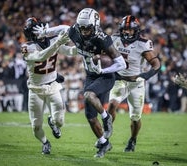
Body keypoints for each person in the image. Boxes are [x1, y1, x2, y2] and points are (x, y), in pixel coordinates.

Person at [32, 8, 127, 158]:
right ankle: (104, 143)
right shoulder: (76, 30)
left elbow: (122, 64)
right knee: (90, 117)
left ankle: (106, 117)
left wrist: (104, 70)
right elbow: (64, 28)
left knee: (88, 95)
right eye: (81, 27)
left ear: (95, 25)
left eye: (87, 27)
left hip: (105, 76)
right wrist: (46, 32)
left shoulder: (102, 38)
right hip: (90, 75)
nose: (83, 31)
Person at [105, 15, 161, 152]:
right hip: (119, 80)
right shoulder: (115, 38)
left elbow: (156, 64)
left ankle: (132, 139)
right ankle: (105, 136)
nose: (126, 32)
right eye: (124, 29)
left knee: (135, 117)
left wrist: (145, 76)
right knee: (112, 105)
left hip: (136, 84)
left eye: (129, 30)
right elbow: (102, 51)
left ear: (136, 30)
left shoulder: (143, 43)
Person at [21, 17, 72, 154]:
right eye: (34, 31)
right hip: (36, 89)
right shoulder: (27, 47)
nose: (37, 34)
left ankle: (52, 121)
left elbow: (70, 51)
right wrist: (58, 43)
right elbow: (41, 57)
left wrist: (85, 50)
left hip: (52, 86)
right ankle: (45, 142)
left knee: (59, 121)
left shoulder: (54, 40)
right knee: (36, 126)